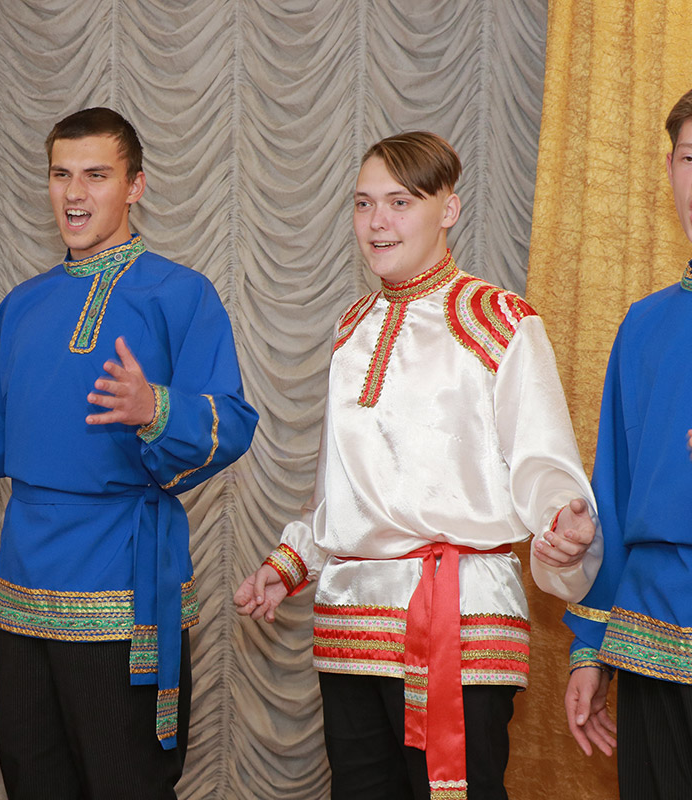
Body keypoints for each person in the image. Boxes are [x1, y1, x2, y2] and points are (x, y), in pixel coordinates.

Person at [0, 107, 258, 799]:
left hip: (124, 581)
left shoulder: (182, 295)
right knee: (32, 774)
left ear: (136, 186)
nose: (74, 193)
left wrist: (157, 408)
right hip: (24, 580)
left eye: (96, 175)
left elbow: (230, 422)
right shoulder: (23, 304)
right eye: (61, 175)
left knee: (124, 782)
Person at [235, 131, 600, 800]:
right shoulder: (351, 329)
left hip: (460, 620)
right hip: (350, 621)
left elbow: (543, 461)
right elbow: (337, 489)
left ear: (448, 210)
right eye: (364, 203)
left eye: (400, 202)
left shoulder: (500, 320)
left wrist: (562, 522)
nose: (377, 221)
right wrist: (288, 564)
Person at [564, 87, 692, 800]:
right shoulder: (643, 325)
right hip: (649, 637)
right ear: (669, 170)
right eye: (691, 159)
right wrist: (590, 647)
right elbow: (610, 495)